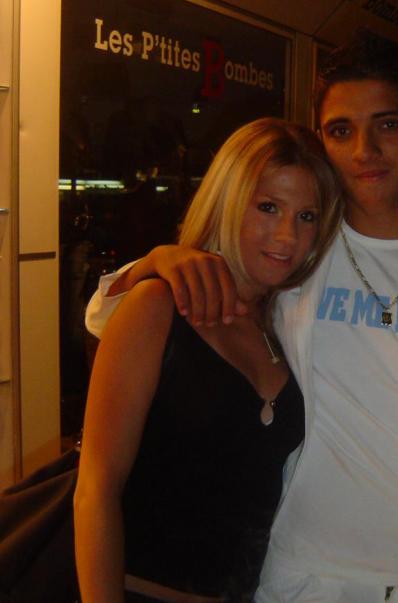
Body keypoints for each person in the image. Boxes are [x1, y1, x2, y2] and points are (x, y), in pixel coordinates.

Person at [86, 31, 398, 603]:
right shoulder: (302, 254)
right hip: (293, 576)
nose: (365, 150)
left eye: (388, 124)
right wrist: (158, 261)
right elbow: (119, 317)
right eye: (341, 130)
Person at [74, 117, 342, 603]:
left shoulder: (287, 327)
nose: (288, 235)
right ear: (228, 200)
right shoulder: (157, 307)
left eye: (307, 216)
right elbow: (95, 489)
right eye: (268, 207)